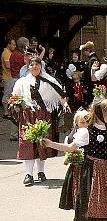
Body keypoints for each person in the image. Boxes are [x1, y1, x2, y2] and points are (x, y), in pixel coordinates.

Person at [12, 55, 69, 185]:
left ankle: (41, 171)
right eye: (32, 65)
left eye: (37, 64)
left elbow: (61, 94)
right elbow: (15, 97)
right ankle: (28, 174)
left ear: (41, 66)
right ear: (28, 67)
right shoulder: (21, 82)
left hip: (43, 114)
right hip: (27, 115)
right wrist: (15, 106)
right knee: (27, 143)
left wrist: (64, 104)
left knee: (42, 142)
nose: (34, 67)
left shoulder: (49, 80)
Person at [2, 37, 16, 118]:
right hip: (8, 77)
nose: (14, 46)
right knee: (7, 94)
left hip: (10, 76)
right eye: (13, 44)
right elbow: (8, 65)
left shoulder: (9, 52)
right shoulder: (6, 53)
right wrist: (17, 65)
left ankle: (9, 112)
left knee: (10, 94)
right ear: (8, 45)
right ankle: (6, 113)